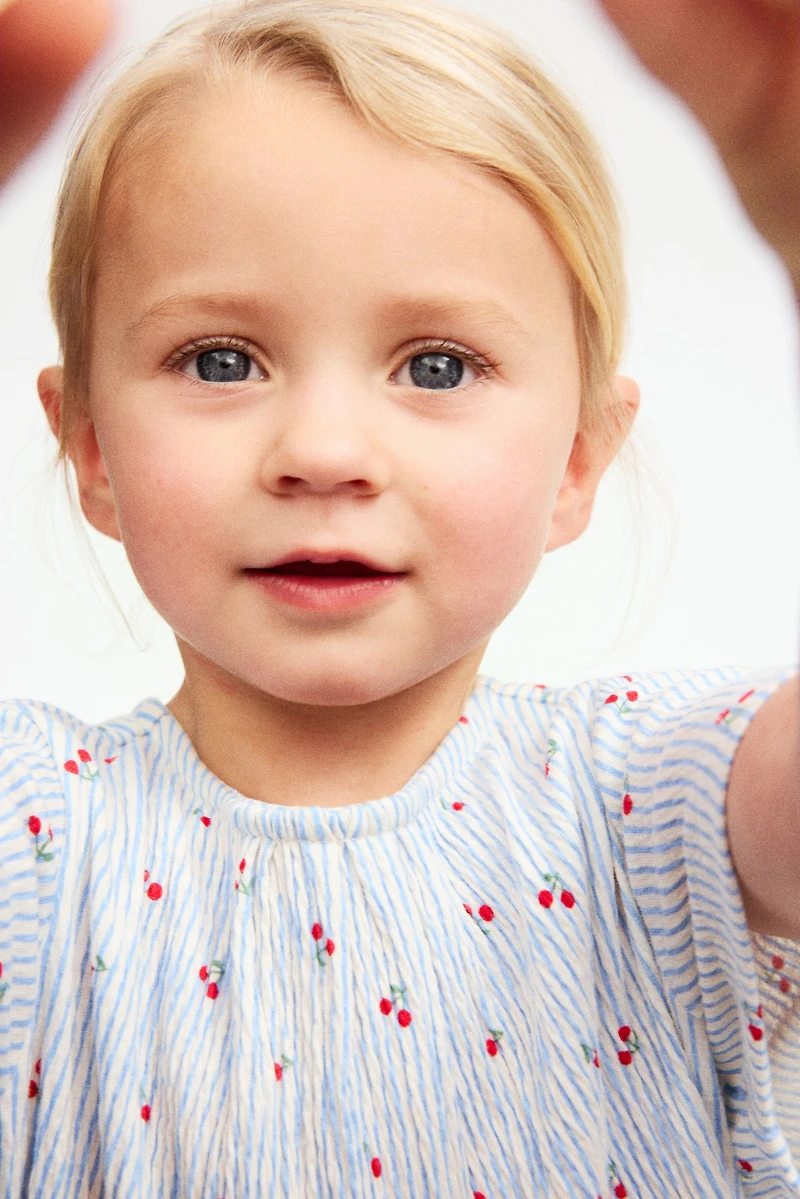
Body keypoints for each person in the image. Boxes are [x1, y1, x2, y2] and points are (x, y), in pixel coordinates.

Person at [0, 0, 797, 1195]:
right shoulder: (34, 840)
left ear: (576, 457)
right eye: (220, 359)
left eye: (436, 366)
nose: (323, 449)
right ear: (92, 447)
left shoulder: (660, 804)